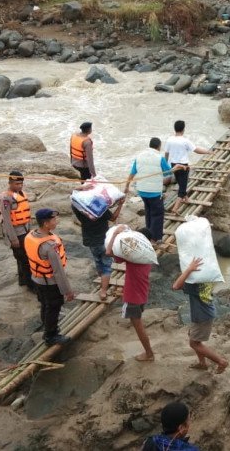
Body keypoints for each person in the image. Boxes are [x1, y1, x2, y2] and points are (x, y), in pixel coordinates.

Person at [24, 208, 74, 345]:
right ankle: (50, 336)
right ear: (46, 224)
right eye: (53, 220)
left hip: (37, 278)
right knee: (53, 307)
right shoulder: (49, 246)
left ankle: (47, 324)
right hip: (50, 283)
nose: (56, 222)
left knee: (45, 304)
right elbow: (58, 272)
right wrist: (67, 291)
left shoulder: (31, 236)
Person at [106, 225, 156, 361]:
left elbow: (109, 252)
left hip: (133, 296)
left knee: (138, 326)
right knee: (138, 323)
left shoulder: (133, 258)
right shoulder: (147, 256)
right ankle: (149, 352)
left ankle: (149, 353)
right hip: (142, 293)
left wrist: (116, 233)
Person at [172, 256, 229, 373]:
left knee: (194, 343)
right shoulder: (206, 278)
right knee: (195, 338)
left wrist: (188, 270)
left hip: (202, 316)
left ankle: (221, 362)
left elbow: (176, 286)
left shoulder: (194, 284)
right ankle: (202, 363)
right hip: (204, 313)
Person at [124, 137, 183, 243]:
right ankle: (156, 238)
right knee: (158, 214)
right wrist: (177, 167)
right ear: (159, 146)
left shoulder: (139, 157)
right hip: (154, 192)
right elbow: (167, 173)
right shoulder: (160, 158)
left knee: (148, 211)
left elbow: (132, 173)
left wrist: (127, 186)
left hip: (141, 191)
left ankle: (148, 234)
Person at [71, 198, 121, 300]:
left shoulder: (79, 208)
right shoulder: (100, 208)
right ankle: (103, 291)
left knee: (98, 261)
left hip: (91, 241)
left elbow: (73, 200)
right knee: (107, 265)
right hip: (103, 241)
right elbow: (113, 218)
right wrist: (120, 205)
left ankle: (102, 282)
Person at [165, 121, 213, 215]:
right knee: (182, 188)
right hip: (183, 166)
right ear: (183, 129)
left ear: (175, 129)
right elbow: (196, 150)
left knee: (180, 182)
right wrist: (207, 152)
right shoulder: (185, 141)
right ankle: (175, 208)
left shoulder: (169, 140)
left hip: (173, 165)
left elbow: (166, 153)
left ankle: (186, 199)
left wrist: (166, 165)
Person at [0, 171, 34, 291]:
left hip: (26, 229)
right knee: (24, 260)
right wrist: (13, 238)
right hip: (17, 233)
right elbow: (7, 220)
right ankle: (30, 285)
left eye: (21, 183)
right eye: (17, 184)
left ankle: (23, 280)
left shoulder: (21, 194)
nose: (19, 186)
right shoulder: (6, 199)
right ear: (10, 183)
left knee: (23, 258)